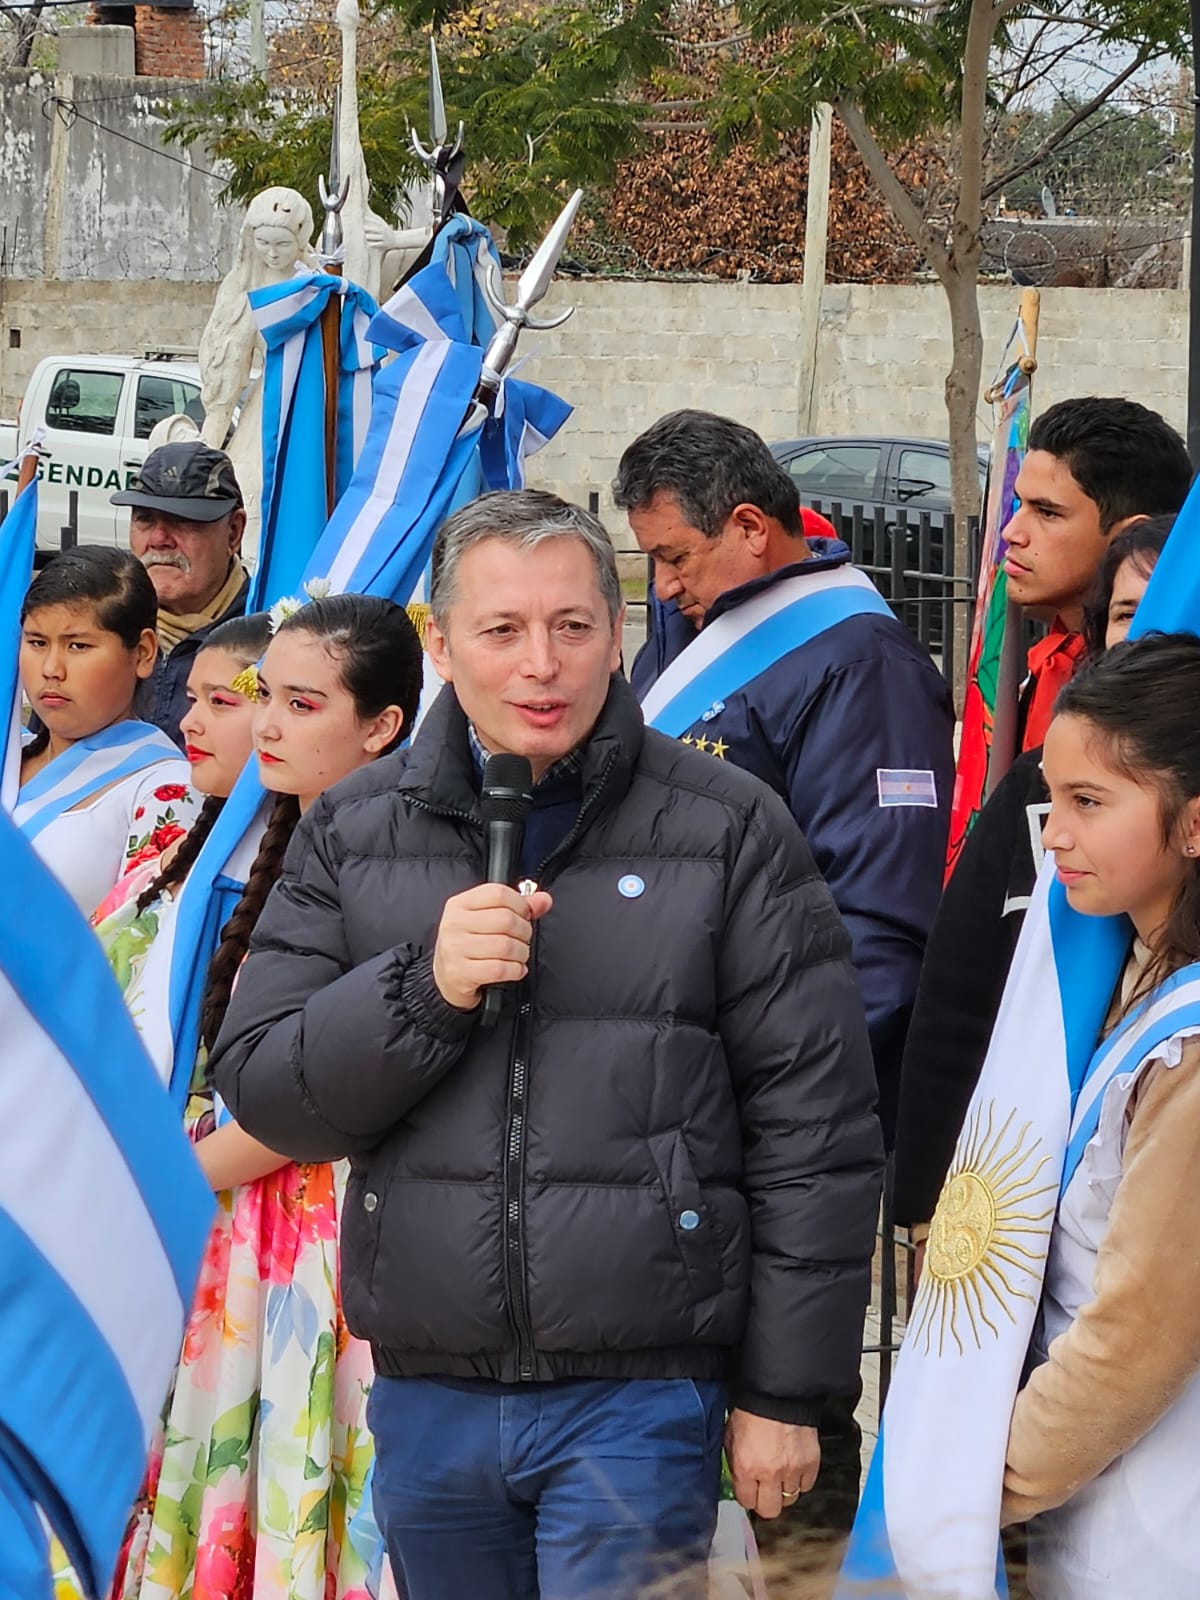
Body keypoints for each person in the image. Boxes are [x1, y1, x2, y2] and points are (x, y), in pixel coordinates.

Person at [210, 488, 884, 1600]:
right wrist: (422, 988)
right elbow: (272, 1092)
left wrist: (787, 1389)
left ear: (617, 632)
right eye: (503, 630)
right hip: (429, 1388)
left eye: (574, 626)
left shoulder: (726, 826)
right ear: (440, 643)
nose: (543, 664)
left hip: (643, 1392)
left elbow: (815, 1126)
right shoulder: (352, 826)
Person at [109, 594, 422, 1600]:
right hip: (244, 1224)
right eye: (265, 698)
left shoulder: (403, 862)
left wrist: (171, 1178)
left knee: (310, 1471)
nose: (270, 724)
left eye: (301, 701)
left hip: (323, 1230)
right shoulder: (267, 843)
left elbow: (338, 1087)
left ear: (383, 726)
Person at [616, 409, 955, 1149]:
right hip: (670, 1056)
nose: (664, 586)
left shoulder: (866, 668)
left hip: (757, 1087)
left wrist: (793, 1104)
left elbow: (879, 916)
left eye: (676, 558)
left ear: (748, 526)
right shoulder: (693, 623)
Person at [893, 517, 1173, 1238]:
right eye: (1126, 614)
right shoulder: (1034, 789)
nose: (1151, 635)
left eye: (1091, 803)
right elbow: (958, 995)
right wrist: (929, 1203)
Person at [1000, 633, 1200, 1598]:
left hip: (1160, 1521)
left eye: (1089, 804)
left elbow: (1141, 1329)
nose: (1054, 838)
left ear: (1195, 824)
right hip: (1104, 1496)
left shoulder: (1190, 1050)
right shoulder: (1119, 971)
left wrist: (978, 1477)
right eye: (1055, 798)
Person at [92, 610, 273, 1077]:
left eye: (222, 702)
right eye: (193, 699)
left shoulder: (304, 887)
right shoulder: (171, 860)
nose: (190, 723)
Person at [15, 545, 198, 914]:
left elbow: (137, 942)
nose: (52, 668)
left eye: (78, 645)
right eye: (37, 642)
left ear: (144, 652)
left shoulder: (165, 789)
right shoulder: (11, 755)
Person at [1001, 396, 1190, 751]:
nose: (1012, 532)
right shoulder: (1052, 655)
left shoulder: (1161, 702)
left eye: (1047, 513)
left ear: (1128, 535)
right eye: (1019, 503)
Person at [111, 441, 251, 747]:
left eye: (183, 520)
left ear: (233, 533)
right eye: (145, 518)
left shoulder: (269, 642)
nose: (159, 539)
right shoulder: (102, 624)